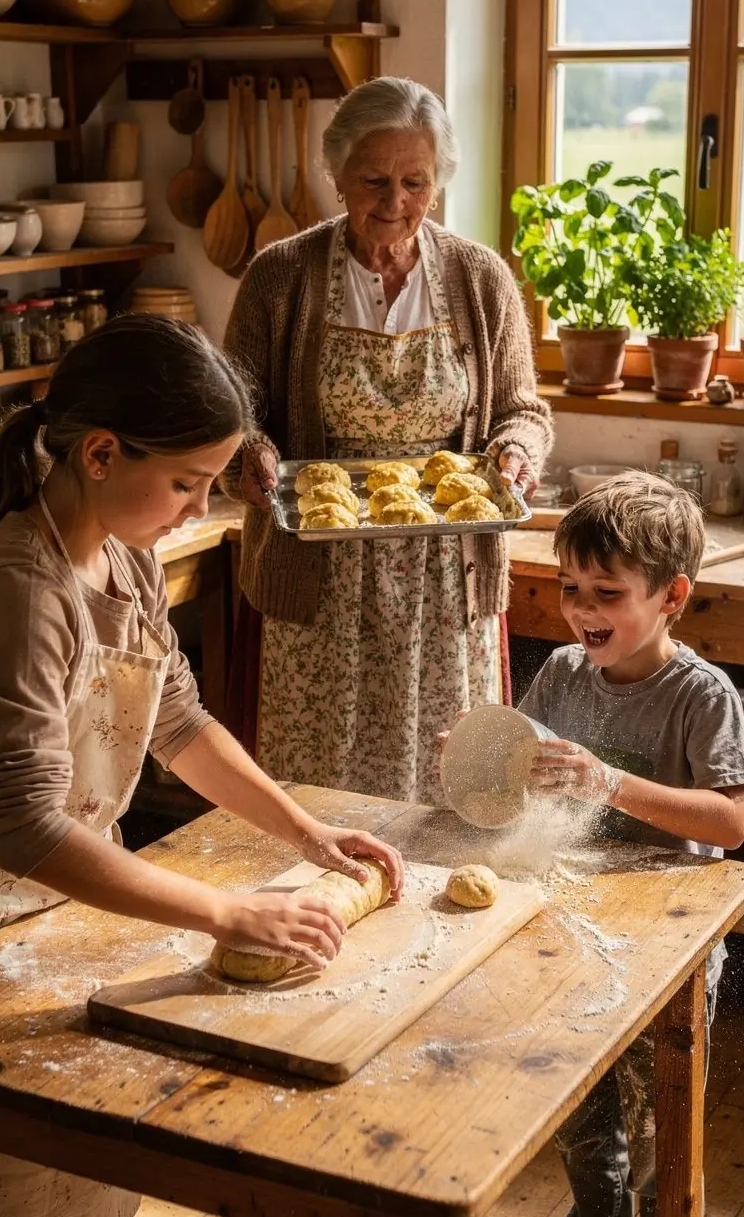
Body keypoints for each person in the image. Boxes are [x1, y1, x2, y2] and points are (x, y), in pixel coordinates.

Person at [0, 314, 403, 1217]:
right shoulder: (21, 587)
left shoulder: (117, 556)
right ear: (101, 452)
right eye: (189, 484)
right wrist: (230, 909)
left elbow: (178, 722)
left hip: (63, 917)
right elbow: (25, 827)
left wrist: (307, 833)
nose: (201, 509)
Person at [222, 75, 553, 805]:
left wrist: (517, 454)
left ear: (440, 181)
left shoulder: (479, 278)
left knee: (447, 781)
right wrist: (247, 456)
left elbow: (522, 409)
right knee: (319, 785)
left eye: (415, 181)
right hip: (320, 578)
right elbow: (232, 409)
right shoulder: (280, 276)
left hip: (445, 578)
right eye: (373, 180)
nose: (395, 202)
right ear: (335, 173)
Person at [510, 472, 744, 1217]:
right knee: (584, 1108)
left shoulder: (700, 695)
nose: (581, 610)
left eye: (606, 593)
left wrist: (609, 781)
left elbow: (732, 821)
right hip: (577, 931)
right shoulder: (564, 672)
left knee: (659, 1130)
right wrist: (484, 758)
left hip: (669, 945)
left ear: (672, 596)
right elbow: (518, 768)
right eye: (570, 589)